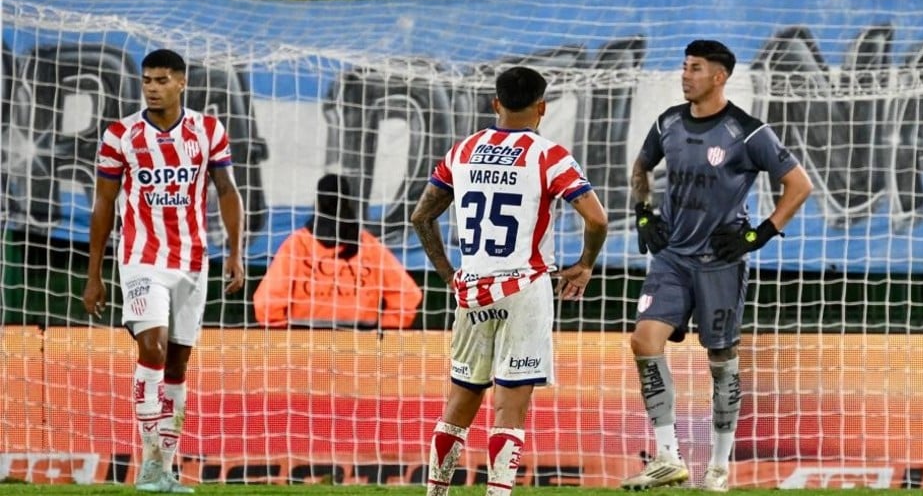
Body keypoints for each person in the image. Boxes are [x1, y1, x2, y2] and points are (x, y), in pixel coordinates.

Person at [622, 40, 813, 493]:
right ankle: (668, 456)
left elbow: (798, 185)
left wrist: (760, 233)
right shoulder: (667, 121)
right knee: (644, 340)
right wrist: (644, 213)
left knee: (721, 360)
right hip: (672, 256)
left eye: (695, 68)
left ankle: (719, 469)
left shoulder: (747, 132)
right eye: (684, 67)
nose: (685, 75)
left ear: (719, 76)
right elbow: (641, 167)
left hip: (720, 262)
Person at [410, 66, 608, 496]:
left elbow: (421, 215)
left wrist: (449, 274)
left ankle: (436, 493)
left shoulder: (463, 150)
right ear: (542, 107)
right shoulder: (548, 155)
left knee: (460, 402)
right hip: (524, 288)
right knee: (510, 408)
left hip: (473, 290)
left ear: (495, 103)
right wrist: (585, 264)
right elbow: (596, 217)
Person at [82, 48, 246, 493]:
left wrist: (236, 251)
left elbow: (227, 190)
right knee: (151, 351)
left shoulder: (208, 131)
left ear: (181, 82)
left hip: (193, 261)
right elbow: (103, 204)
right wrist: (93, 274)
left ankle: (165, 470)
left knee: (177, 366)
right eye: (147, 81)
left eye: (161, 80)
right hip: (140, 259)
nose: (152, 88)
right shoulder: (121, 135)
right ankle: (149, 467)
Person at [253, 173, 422, 329]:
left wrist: (284, 337)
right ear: (348, 202)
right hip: (361, 349)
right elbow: (408, 295)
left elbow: (266, 302)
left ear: (317, 202)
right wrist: (383, 329)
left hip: (305, 348)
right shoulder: (369, 245)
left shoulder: (296, 244)